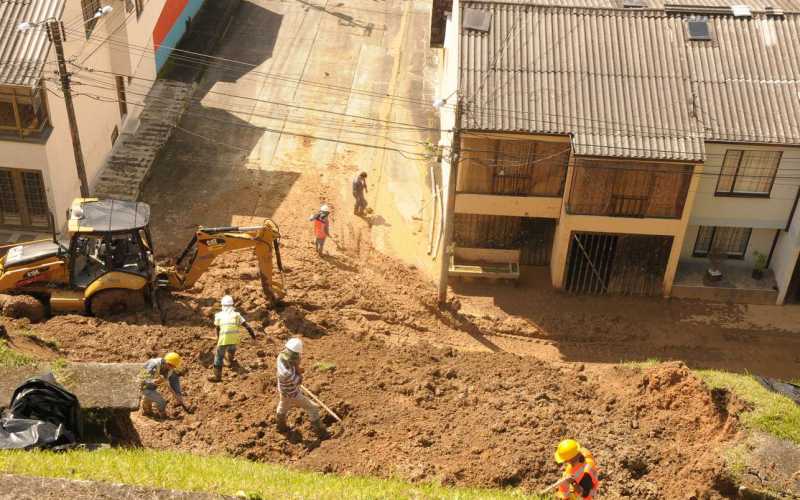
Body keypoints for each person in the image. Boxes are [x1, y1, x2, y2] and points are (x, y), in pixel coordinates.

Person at [275, 338, 328, 438]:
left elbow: (293, 364)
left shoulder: (281, 357)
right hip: (292, 393)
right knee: (313, 408)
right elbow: (298, 381)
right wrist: (299, 375)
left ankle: (280, 426)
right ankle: (321, 432)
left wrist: (297, 368)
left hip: (283, 391)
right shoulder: (288, 374)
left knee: (283, 405)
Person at [208, 295, 256, 382]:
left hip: (224, 338)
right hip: (234, 338)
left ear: (222, 305)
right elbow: (247, 326)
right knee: (232, 348)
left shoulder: (218, 315)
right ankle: (230, 361)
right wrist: (253, 336)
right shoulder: (237, 315)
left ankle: (217, 376)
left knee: (219, 356)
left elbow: (218, 328)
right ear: (232, 305)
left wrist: (219, 339)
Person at [139, 352, 190, 418]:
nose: (171, 368)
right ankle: (162, 417)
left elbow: (174, 381)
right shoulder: (153, 364)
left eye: (174, 367)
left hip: (152, 387)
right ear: (166, 361)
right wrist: (154, 381)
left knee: (151, 397)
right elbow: (143, 378)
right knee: (162, 402)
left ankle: (146, 409)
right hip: (144, 386)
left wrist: (178, 394)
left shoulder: (170, 369)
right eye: (171, 366)